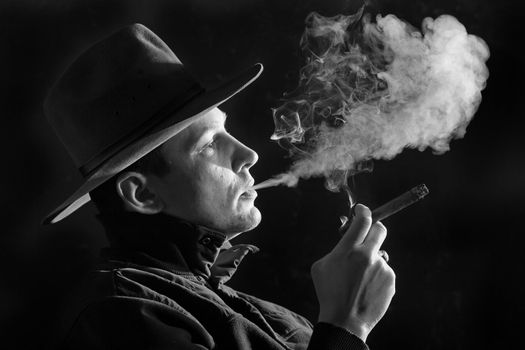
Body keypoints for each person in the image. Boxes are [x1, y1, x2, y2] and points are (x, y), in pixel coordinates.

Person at [44, 23, 395, 350]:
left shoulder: (267, 315)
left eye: (226, 131)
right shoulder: (121, 315)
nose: (249, 154)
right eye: (209, 144)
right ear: (143, 194)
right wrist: (347, 325)